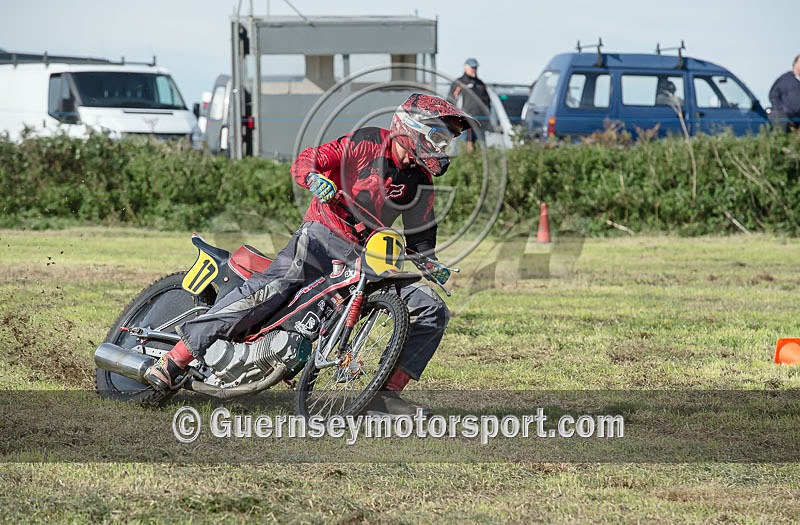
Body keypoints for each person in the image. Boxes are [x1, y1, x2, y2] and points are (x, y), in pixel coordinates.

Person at [143, 93, 477, 416]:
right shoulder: (366, 143)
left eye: (446, 141)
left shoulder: (421, 180)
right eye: (437, 136)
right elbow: (308, 159)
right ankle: (175, 359)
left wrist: (429, 263)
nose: (441, 147)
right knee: (271, 289)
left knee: (432, 309)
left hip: (369, 256)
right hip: (321, 235)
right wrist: (314, 179)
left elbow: (420, 238)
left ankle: (385, 396)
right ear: (410, 127)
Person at [447, 58, 490, 150]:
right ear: (465, 68)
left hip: (479, 121)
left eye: (475, 67)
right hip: (463, 121)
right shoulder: (458, 82)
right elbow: (450, 100)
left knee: (481, 147)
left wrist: (487, 116)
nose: (474, 69)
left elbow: (487, 102)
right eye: (472, 67)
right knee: (462, 146)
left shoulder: (480, 84)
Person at [769, 54, 800, 131]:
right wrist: (781, 109)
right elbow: (773, 95)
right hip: (785, 118)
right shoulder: (785, 79)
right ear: (795, 64)